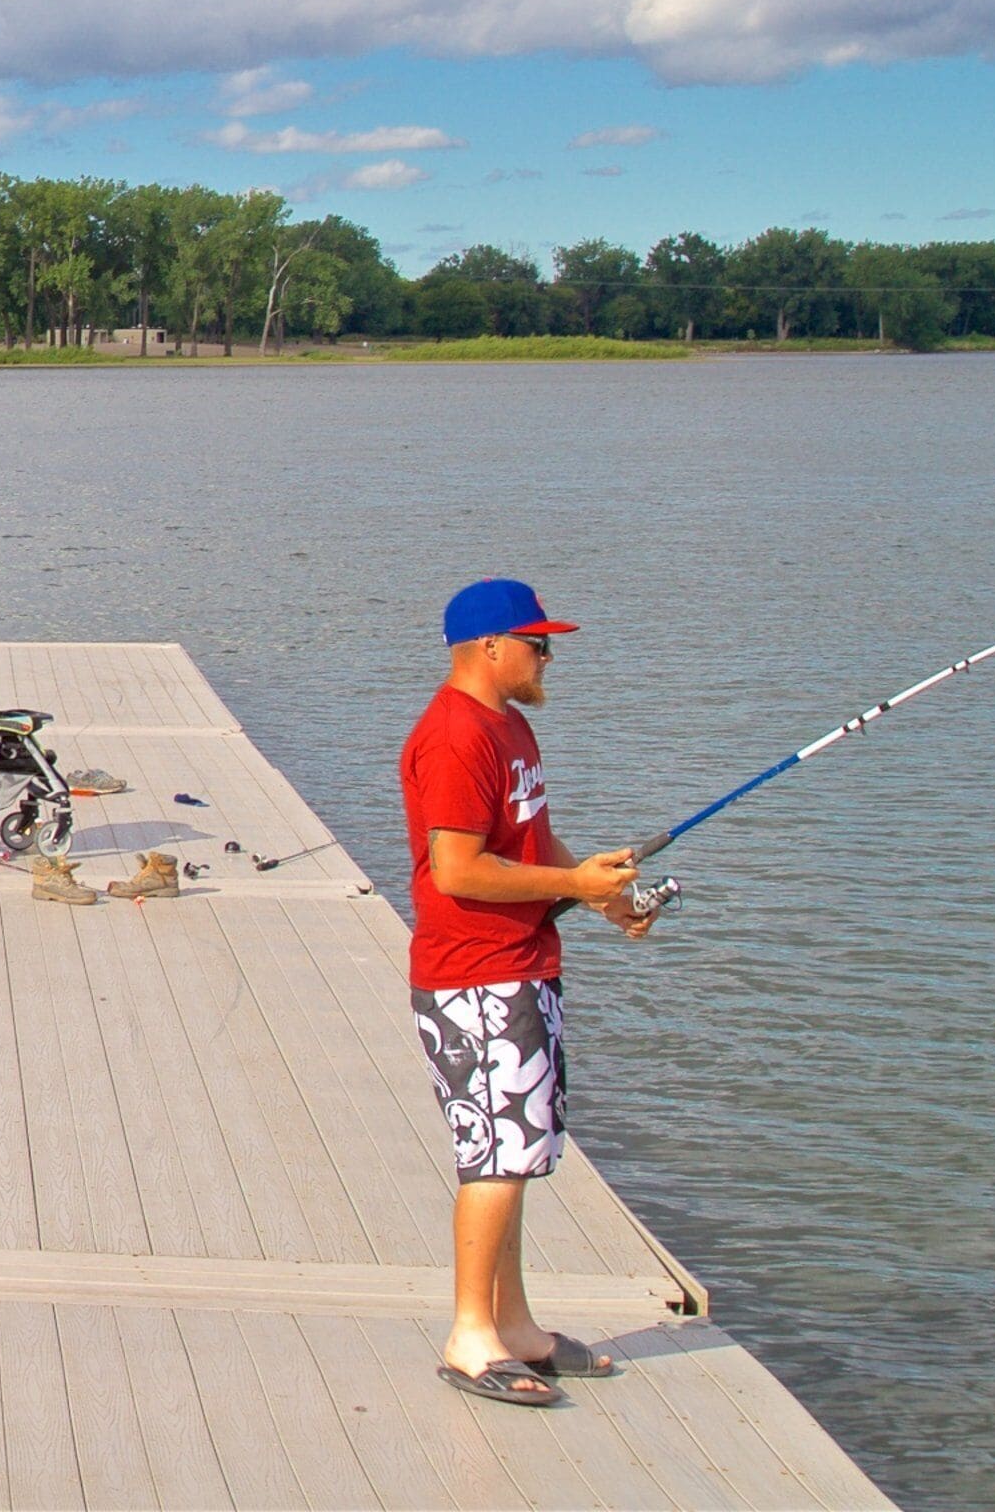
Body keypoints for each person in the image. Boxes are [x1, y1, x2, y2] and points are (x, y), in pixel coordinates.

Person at [404, 577, 655, 1408]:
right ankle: (471, 1337)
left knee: (522, 1152)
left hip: (522, 964)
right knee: (495, 1159)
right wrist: (571, 883)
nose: (549, 657)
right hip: (474, 975)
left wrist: (600, 894)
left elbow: (533, 840)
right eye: (537, 643)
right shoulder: (454, 737)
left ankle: (515, 1326)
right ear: (490, 648)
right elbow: (458, 867)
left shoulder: (510, 728)